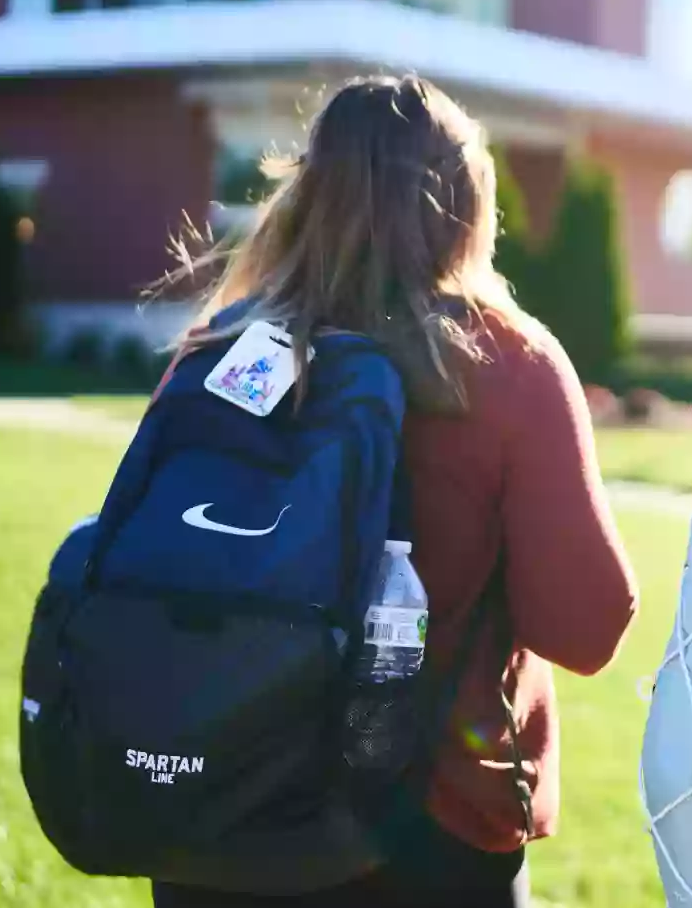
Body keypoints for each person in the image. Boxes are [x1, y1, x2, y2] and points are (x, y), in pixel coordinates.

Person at [147, 76, 640, 908]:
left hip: (220, 803)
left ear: (306, 194)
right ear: (467, 206)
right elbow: (588, 628)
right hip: (425, 831)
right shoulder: (505, 366)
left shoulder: (224, 353)